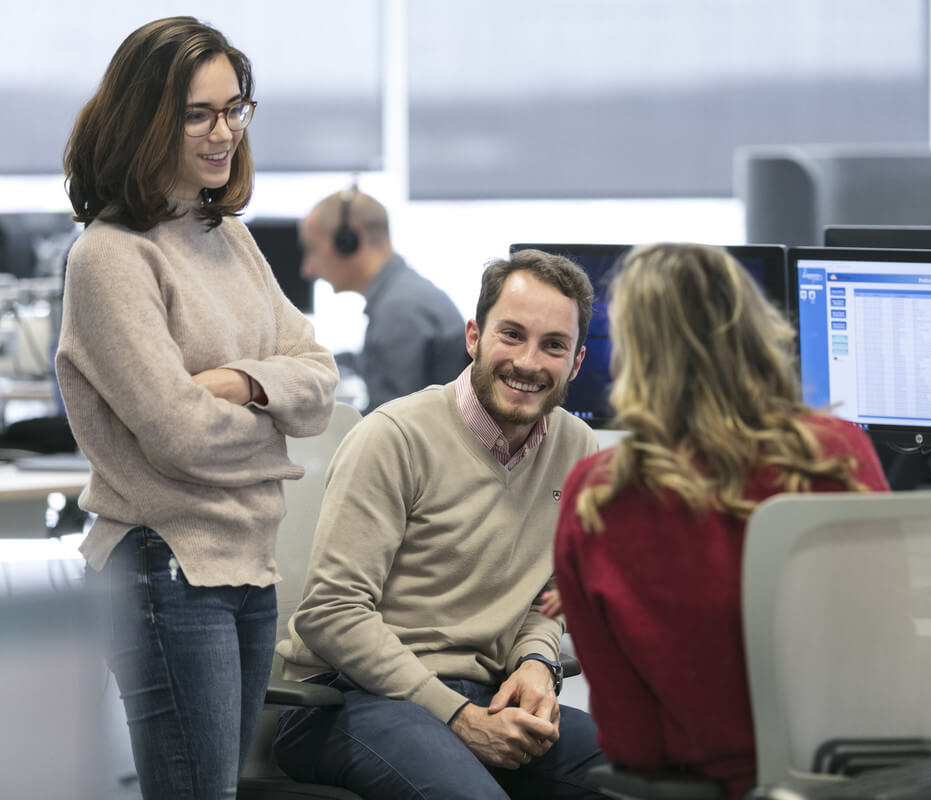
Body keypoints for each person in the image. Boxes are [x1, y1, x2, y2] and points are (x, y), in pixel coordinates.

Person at [56, 16, 338, 799]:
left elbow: (320, 379)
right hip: (163, 563)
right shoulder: (110, 257)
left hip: (244, 558)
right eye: (198, 114)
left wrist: (242, 384)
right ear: (147, 118)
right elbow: (179, 434)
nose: (225, 133)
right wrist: (271, 419)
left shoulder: (228, 235)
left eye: (236, 108)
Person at [553, 243, 889, 798]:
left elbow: (632, 743)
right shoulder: (838, 452)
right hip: (852, 778)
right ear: (756, 332)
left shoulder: (599, 495)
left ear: (631, 353)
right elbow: (886, 644)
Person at [274, 249, 609, 800]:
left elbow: (549, 595)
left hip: (485, 694)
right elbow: (331, 613)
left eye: (553, 345)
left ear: (574, 363)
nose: (528, 362)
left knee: (649, 779)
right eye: (512, 335)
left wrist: (535, 662)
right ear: (474, 337)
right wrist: (457, 717)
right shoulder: (395, 437)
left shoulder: (577, 448)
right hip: (349, 700)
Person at [299, 188, 468, 411]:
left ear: (348, 242)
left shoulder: (398, 312)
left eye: (312, 249)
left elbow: (389, 425)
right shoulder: (403, 296)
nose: (307, 270)